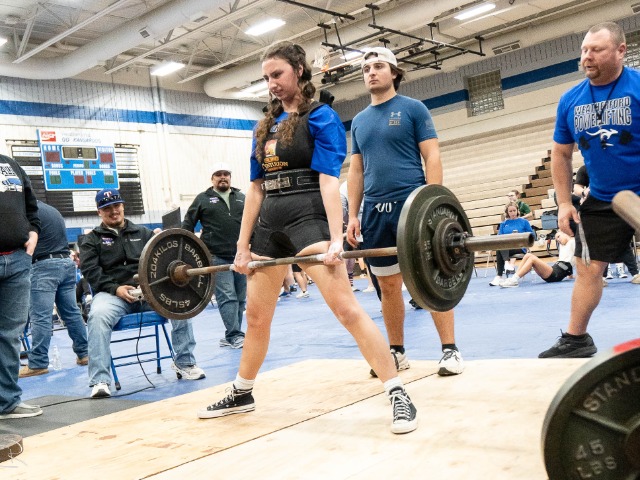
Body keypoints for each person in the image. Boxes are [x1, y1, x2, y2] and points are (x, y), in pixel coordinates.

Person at [197, 41, 417, 434]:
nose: (271, 84)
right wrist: (242, 245)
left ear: (299, 70)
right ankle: (243, 391)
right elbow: (256, 189)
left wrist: (336, 239)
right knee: (256, 316)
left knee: (346, 310)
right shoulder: (264, 125)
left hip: (307, 214)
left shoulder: (322, 117)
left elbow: (329, 180)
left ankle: (398, 392)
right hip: (269, 221)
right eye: (266, 78)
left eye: (277, 74)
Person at [347, 46, 463, 377]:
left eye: (378, 66)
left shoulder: (413, 109)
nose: (371, 72)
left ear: (395, 72)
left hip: (411, 206)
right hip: (374, 212)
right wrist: (353, 215)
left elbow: (433, 156)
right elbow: (356, 171)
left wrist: (432, 202)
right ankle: (396, 353)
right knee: (387, 286)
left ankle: (450, 350)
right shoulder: (359, 121)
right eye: (366, 68)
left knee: (433, 278)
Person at [539, 22, 640, 358]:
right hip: (602, 196)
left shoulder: (638, 88)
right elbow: (562, 153)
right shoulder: (571, 100)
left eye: (596, 49)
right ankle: (576, 339)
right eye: (584, 50)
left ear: (621, 50)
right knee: (586, 266)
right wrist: (565, 203)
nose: (587, 56)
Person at [80, 188, 205, 398]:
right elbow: (91, 272)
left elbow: (162, 260)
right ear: (99, 212)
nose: (113, 211)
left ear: (123, 206)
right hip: (112, 295)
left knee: (181, 304)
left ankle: (185, 363)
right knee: (97, 315)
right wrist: (116, 289)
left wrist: (152, 288)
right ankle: (100, 381)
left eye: (116, 206)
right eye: (107, 208)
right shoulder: (91, 240)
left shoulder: (144, 233)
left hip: (149, 293)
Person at [19, 201, 89, 377]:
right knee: (72, 312)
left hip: (44, 266)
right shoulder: (52, 209)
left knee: (40, 317)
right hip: (66, 262)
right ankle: (84, 353)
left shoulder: (27, 211)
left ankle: (38, 363)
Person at [182, 161, 247, 349]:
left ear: (230, 177)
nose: (223, 177)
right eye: (218, 174)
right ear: (212, 179)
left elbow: (252, 224)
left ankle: (232, 335)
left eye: (226, 174)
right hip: (216, 256)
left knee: (241, 297)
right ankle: (234, 334)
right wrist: (185, 250)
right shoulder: (203, 199)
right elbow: (187, 224)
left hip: (241, 256)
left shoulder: (241, 197)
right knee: (228, 296)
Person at [0, 153, 42, 419]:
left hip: (17, 260)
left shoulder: (10, 165)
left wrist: (33, 233)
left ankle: (7, 402)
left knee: (10, 335)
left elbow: (31, 207)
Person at [574, 164, 640, 284]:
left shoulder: (614, 164)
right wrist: (584, 192)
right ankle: (601, 277)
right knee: (598, 243)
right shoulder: (585, 169)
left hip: (616, 207)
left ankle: (635, 273)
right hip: (595, 210)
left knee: (622, 241)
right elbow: (577, 188)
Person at [500, 231, 575, 287]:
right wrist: (570, 275)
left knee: (532, 259)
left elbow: (575, 259)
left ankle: (514, 279)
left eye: (558, 236)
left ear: (566, 234)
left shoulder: (572, 242)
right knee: (528, 255)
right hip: (554, 270)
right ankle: (515, 277)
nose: (558, 240)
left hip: (555, 274)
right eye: (556, 239)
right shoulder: (562, 245)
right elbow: (567, 260)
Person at [490, 202, 536, 286]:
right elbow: (499, 237)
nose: (512, 213)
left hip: (520, 247)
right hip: (507, 247)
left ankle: (500, 275)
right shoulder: (503, 223)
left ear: (517, 210)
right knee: (500, 247)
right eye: (510, 211)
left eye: (514, 210)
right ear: (507, 213)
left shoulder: (524, 222)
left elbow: (532, 236)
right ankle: (506, 266)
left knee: (500, 250)